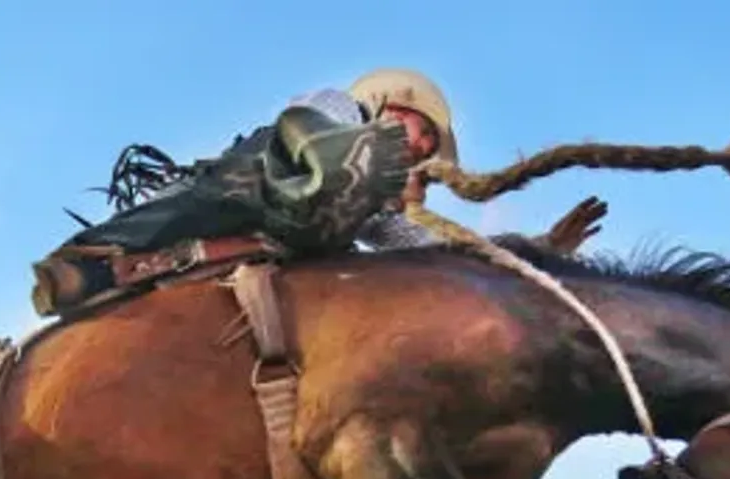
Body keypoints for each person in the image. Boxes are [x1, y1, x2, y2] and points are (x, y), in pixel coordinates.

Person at [30, 69, 609, 316]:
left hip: (294, 238)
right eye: (421, 131)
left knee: (381, 276)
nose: (420, 147)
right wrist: (360, 163)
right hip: (246, 192)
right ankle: (98, 260)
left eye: (428, 144)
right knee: (295, 171)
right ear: (390, 100)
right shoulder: (338, 106)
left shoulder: (375, 205)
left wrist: (530, 248)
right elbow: (308, 131)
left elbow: (423, 246)